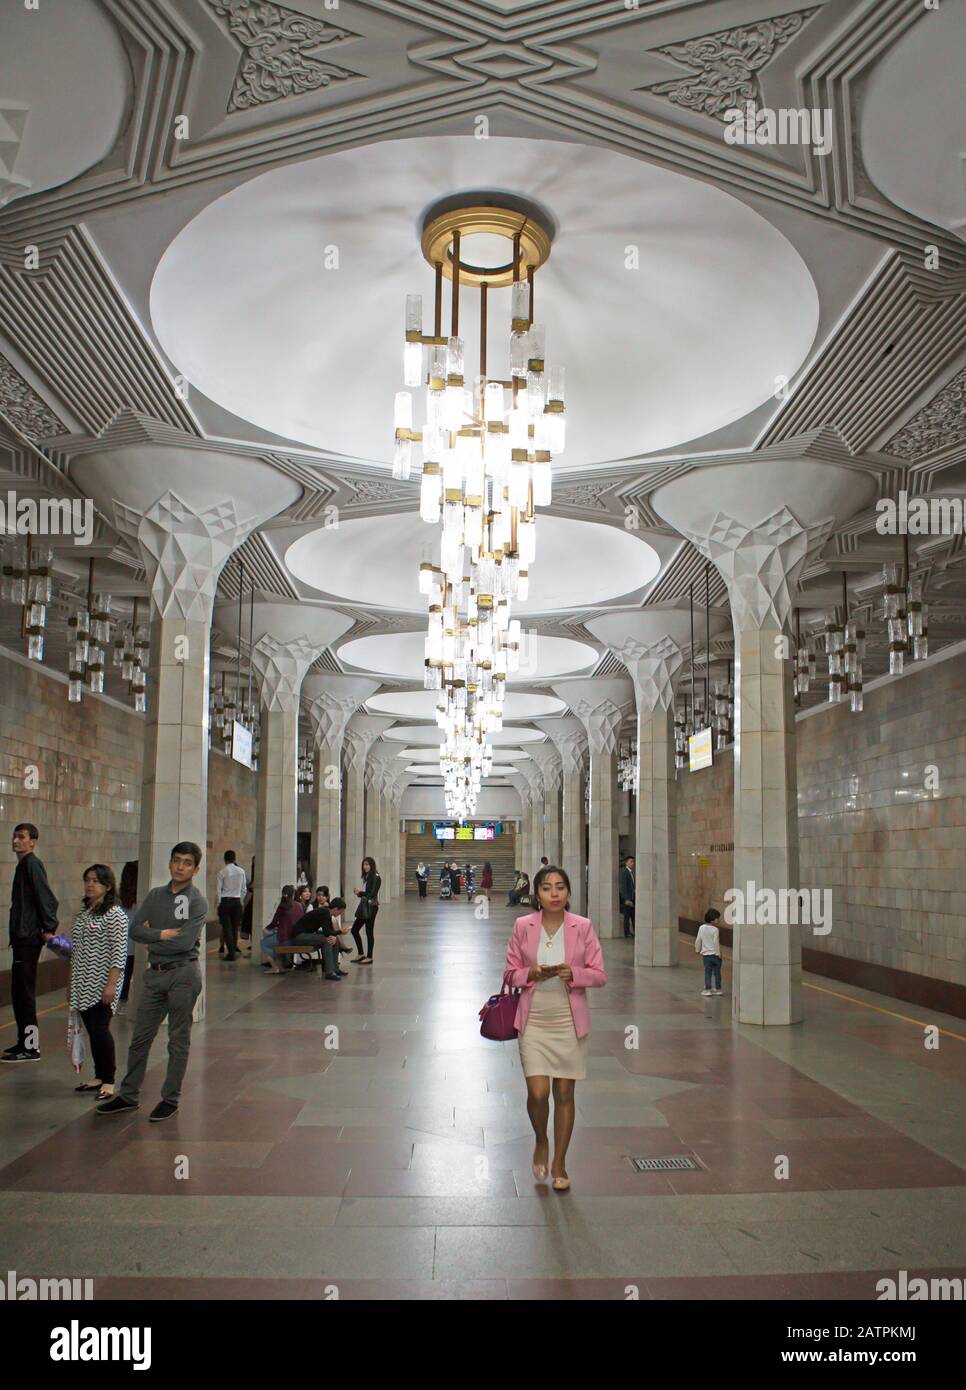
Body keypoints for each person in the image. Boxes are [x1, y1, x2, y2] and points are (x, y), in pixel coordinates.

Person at [504, 865, 607, 1192]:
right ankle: (540, 1140)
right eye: (547, 888)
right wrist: (530, 974)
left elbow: (599, 974)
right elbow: (509, 973)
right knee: (538, 1092)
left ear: (568, 893)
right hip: (534, 1020)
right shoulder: (523, 926)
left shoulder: (583, 927)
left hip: (568, 1020)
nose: (554, 893)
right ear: (536, 894)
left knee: (564, 1092)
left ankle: (560, 1161)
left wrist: (573, 973)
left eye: (560, 887)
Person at [96, 842, 207, 1122]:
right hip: (154, 974)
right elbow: (133, 929)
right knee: (140, 1038)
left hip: (184, 974)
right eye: (176, 861)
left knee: (177, 1040)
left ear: (196, 868)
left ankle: (170, 1099)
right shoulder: (155, 895)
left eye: (187, 862)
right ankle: (129, 1095)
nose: (180, 866)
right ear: (170, 863)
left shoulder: (197, 901)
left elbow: (184, 942)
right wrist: (161, 935)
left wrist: (159, 936)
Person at [67, 865, 129, 1099]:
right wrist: (70, 983)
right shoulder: (85, 913)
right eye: (87, 880)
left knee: (101, 1029)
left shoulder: (115, 914)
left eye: (96, 881)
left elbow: (118, 953)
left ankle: (110, 1080)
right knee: (91, 1030)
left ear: (108, 885)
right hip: (82, 981)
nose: (90, 884)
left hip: (103, 981)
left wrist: (112, 984)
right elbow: (76, 951)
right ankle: (99, 1075)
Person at [2, 823, 59, 1063]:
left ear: (33, 841)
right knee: (20, 992)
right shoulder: (24, 865)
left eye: (22, 837)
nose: (16, 841)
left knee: (24, 994)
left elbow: (46, 898)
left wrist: (48, 928)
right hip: (23, 938)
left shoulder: (32, 864)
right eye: (15, 837)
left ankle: (31, 1047)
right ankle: (25, 1042)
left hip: (28, 939)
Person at [290, 899, 343, 979]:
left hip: (306, 934)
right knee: (327, 940)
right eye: (340, 912)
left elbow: (328, 931)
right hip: (299, 936)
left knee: (334, 939)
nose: (340, 914)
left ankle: (335, 968)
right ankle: (329, 972)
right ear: (336, 909)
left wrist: (335, 935)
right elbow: (327, 932)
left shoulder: (327, 913)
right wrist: (340, 931)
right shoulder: (324, 913)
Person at [260, 885, 304, 974]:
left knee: (263, 943)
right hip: (296, 937)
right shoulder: (299, 905)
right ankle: (281, 963)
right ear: (293, 894)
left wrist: (265, 929)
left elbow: (274, 923)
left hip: (284, 937)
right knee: (273, 942)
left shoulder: (283, 906)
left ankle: (275, 967)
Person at [216, 850, 247, 962]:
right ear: (234, 859)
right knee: (235, 928)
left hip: (225, 901)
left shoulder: (222, 872)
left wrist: (219, 904)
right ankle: (233, 949)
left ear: (225, 859)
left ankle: (231, 953)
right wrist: (241, 901)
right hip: (237, 901)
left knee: (227, 928)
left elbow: (219, 891)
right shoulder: (241, 871)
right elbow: (244, 889)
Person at [116, 859, 138, 1013]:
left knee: (123, 973)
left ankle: (120, 1002)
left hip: (122, 943)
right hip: (137, 941)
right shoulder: (143, 898)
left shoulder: (119, 898)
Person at [351, 856, 380, 964]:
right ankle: (361, 953)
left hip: (371, 907)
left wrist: (360, 892)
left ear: (372, 865)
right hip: (364, 906)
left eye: (367, 864)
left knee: (369, 931)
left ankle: (369, 956)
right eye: (364, 865)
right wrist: (359, 893)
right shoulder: (367, 877)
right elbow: (366, 894)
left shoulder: (376, 877)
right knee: (354, 930)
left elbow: (372, 894)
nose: (365, 867)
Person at [695, 908, 723, 997]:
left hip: (706, 955)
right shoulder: (715, 930)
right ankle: (718, 989)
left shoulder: (701, 928)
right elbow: (716, 943)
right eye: (717, 918)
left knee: (708, 972)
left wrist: (697, 949)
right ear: (712, 919)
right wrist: (719, 954)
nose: (719, 920)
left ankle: (707, 989)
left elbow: (698, 940)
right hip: (715, 955)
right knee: (717, 972)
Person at [619, 855, 636, 938]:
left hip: (633, 899)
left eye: (633, 862)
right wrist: (626, 899)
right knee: (627, 916)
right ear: (626, 863)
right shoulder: (625, 873)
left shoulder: (631, 872)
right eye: (631, 861)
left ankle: (633, 931)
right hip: (628, 899)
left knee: (633, 916)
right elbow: (624, 887)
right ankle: (627, 932)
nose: (633, 863)